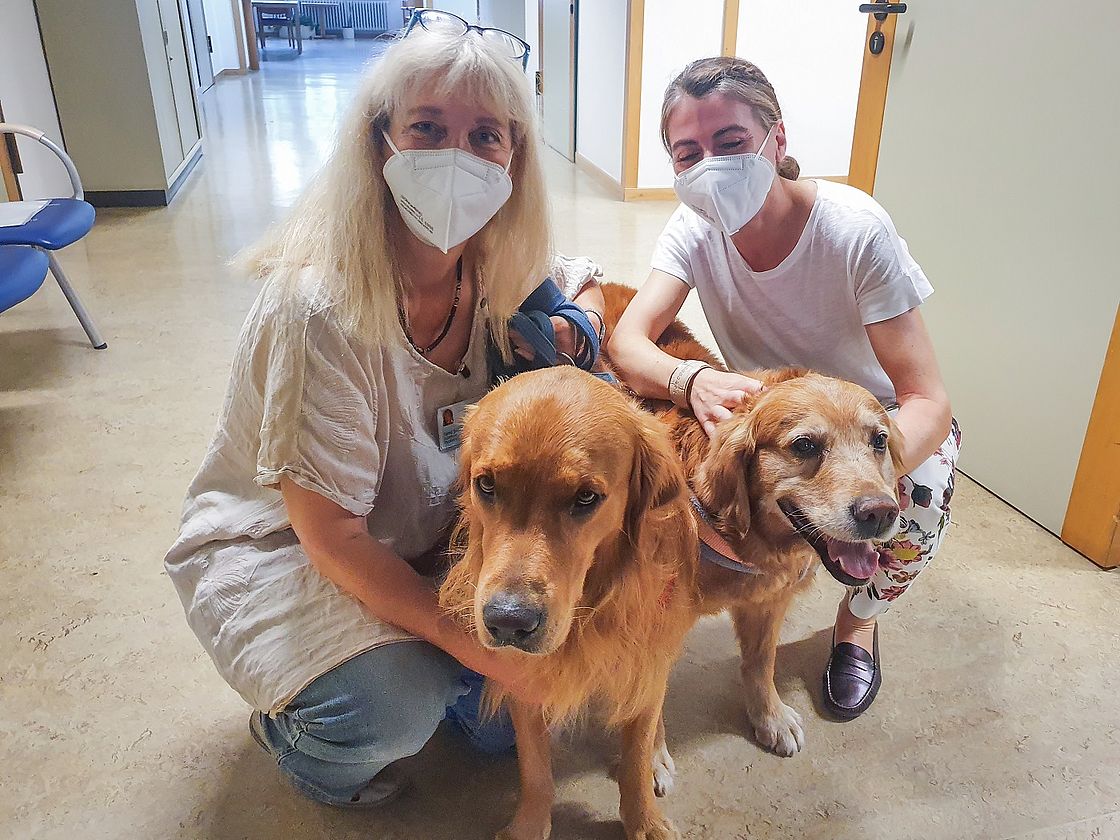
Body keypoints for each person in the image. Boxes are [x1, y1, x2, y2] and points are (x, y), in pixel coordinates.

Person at [164, 18, 603, 808]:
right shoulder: (320, 308)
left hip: (427, 534)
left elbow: (581, 277)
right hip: (294, 548)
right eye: (427, 129)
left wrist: (581, 317)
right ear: (381, 145)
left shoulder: (493, 263)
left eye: (486, 137)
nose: (456, 159)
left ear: (515, 161)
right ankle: (300, 736)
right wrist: (464, 643)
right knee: (390, 709)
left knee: (519, 718)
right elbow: (330, 537)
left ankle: (433, 666)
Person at [609, 56, 960, 720]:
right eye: (688, 152)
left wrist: (870, 475)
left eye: (731, 142)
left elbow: (929, 401)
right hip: (770, 413)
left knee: (916, 503)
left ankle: (858, 622)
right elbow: (628, 342)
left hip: (868, 418)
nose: (709, 163)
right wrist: (692, 379)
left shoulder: (854, 230)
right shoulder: (693, 229)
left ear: (777, 141)